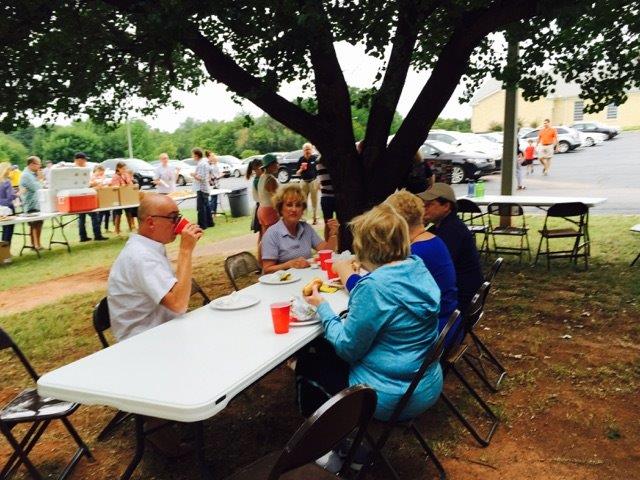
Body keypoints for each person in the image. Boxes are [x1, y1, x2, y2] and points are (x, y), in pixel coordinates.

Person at [300, 203, 442, 421]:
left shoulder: (374, 288)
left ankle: (329, 446)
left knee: (309, 360)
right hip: (426, 384)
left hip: (388, 397)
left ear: (367, 247)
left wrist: (322, 306)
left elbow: (348, 349)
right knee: (326, 349)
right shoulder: (417, 267)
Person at [107, 193, 203, 457]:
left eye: (178, 216)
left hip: (160, 334)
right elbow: (179, 303)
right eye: (173, 218)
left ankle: (186, 416)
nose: (179, 222)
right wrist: (185, 251)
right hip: (142, 346)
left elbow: (174, 300)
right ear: (150, 222)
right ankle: (161, 428)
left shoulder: (149, 247)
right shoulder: (141, 257)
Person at [336, 190, 458, 336]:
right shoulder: (431, 240)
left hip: (432, 334)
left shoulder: (414, 254)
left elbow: (373, 293)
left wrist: (344, 271)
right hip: (446, 323)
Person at [418, 183, 484, 315]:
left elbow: (433, 267)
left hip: (460, 300)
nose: (424, 209)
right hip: (457, 293)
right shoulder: (441, 226)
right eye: (423, 205)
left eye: (429, 205)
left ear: (446, 206)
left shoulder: (452, 230)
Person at [261, 184, 338, 273]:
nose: (294, 209)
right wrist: (288, 265)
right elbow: (267, 269)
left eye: (298, 205)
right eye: (289, 205)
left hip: (303, 279)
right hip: (281, 284)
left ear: (302, 210)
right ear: (280, 208)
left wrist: (333, 234)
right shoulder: (272, 234)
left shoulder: (306, 228)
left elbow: (327, 252)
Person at [74, 152, 107, 241]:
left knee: (82, 217)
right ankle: (97, 235)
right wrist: (94, 184)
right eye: (84, 160)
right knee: (93, 215)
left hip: (80, 195)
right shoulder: (77, 170)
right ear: (79, 160)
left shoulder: (78, 169)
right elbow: (84, 184)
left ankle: (83, 236)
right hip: (82, 195)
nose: (85, 161)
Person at [19, 156, 43, 250]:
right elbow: (36, 188)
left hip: (36, 203)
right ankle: (35, 245)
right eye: (38, 164)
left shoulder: (32, 174)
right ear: (31, 164)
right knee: (34, 225)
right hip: (30, 204)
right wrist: (40, 179)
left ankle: (37, 244)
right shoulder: (26, 175)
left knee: (39, 224)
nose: (40, 166)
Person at [256, 153, 280, 236]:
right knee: (274, 237)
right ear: (271, 165)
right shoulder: (271, 179)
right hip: (269, 211)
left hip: (261, 209)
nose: (278, 165)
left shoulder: (262, 177)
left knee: (266, 238)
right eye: (276, 163)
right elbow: (277, 197)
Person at [110, 161, 136, 236]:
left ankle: (131, 228)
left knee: (128, 213)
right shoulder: (115, 176)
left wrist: (128, 182)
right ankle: (117, 231)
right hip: (117, 198)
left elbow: (130, 183)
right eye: (123, 169)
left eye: (125, 169)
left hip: (126, 197)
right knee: (118, 214)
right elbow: (114, 187)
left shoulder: (126, 175)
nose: (124, 170)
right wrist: (122, 186)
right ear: (118, 168)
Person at [296, 143, 320, 225]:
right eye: (306, 149)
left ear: (312, 150)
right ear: (303, 151)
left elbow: (320, 170)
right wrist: (301, 169)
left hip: (313, 181)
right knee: (303, 200)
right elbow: (297, 173)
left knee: (314, 200)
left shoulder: (315, 158)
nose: (307, 151)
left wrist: (320, 181)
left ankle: (314, 217)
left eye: (309, 149)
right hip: (304, 181)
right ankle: (303, 218)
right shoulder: (301, 159)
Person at [192, 148, 213, 229]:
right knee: (207, 206)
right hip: (205, 187)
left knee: (201, 208)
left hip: (201, 188)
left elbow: (201, 177)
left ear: (196, 155)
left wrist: (193, 175)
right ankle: (210, 223)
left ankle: (202, 225)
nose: (192, 157)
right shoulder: (205, 162)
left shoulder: (201, 164)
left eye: (193, 155)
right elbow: (210, 171)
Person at [0, 162, 17, 263]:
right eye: (10, 170)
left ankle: (3, 253)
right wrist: (17, 194)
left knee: (4, 231)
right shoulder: (7, 182)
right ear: (7, 170)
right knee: (8, 232)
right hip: (8, 209)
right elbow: (10, 198)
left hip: (0, 210)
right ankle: (6, 255)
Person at [316, 156, 336, 241]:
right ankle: (338, 247)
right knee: (339, 224)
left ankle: (328, 246)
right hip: (336, 197)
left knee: (328, 224)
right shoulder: (336, 162)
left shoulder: (319, 163)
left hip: (325, 197)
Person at [246, 158, 263, 239]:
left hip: (260, 207)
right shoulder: (258, 180)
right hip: (262, 206)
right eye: (262, 167)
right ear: (257, 168)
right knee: (263, 234)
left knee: (263, 234)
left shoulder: (259, 178)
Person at [91, 164, 111, 232]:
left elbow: (105, 183)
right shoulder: (92, 177)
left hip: (104, 197)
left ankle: (106, 228)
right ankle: (98, 229)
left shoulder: (102, 176)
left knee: (107, 213)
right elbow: (93, 185)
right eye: (100, 171)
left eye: (102, 172)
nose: (101, 173)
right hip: (97, 198)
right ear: (97, 170)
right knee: (100, 214)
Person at [206, 150, 223, 225]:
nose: (214, 157)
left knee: (214, 199)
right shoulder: (210, 165)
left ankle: (214, 213)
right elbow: (213, 176)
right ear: (209, 157)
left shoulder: (215, 164)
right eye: (212, 156)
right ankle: (211, 213)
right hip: (213, 184)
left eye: (214, 156)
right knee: (213, 199)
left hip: (216, 184)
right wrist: (221, 175)